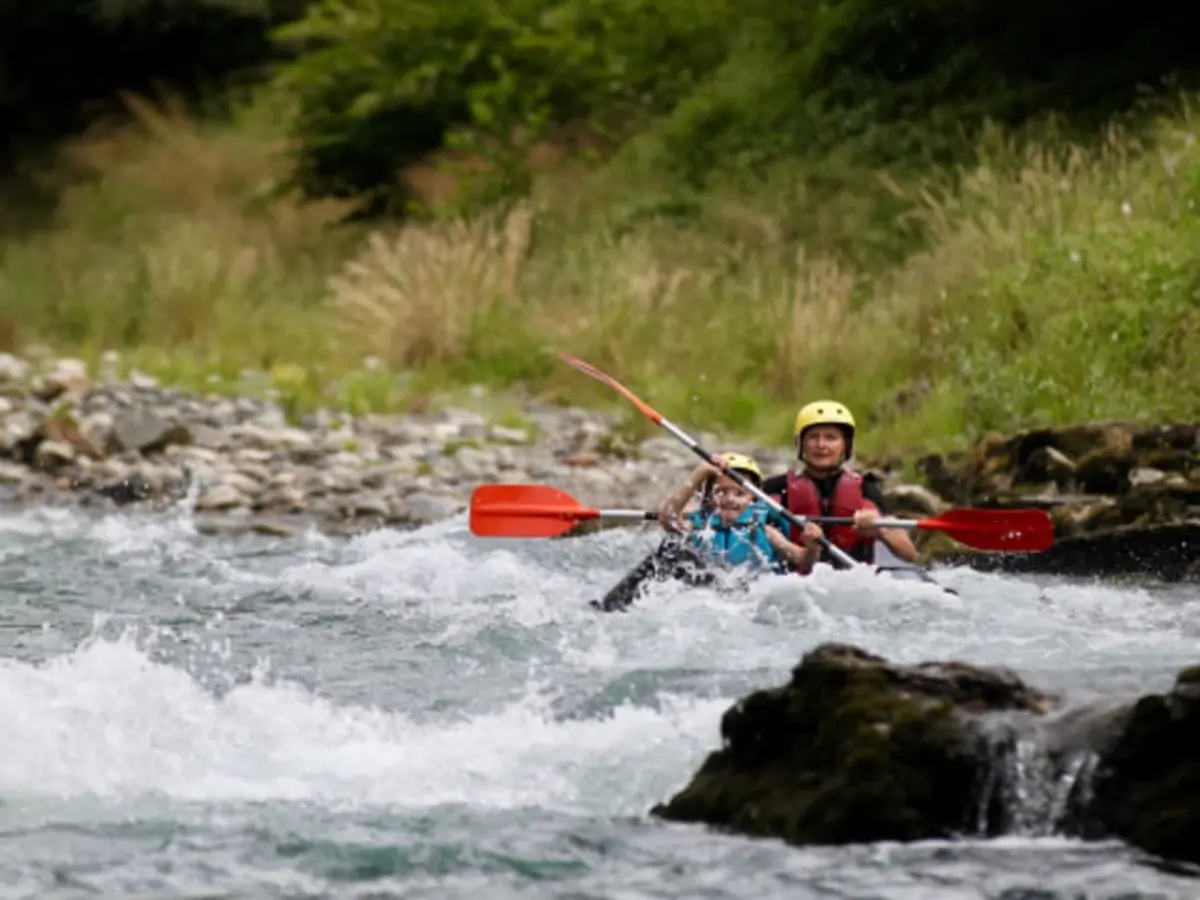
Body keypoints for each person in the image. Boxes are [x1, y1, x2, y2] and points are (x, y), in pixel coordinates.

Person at [591, 452, 821, 612]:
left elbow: (803, 559)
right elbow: (668, 518)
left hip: (749, 598)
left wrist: (812, 545)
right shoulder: (700, 525)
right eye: (721, 492)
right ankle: (612, 606)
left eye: (739, 493)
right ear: (709, 497)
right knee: (670, 549)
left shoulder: (765, 530)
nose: (730, 499)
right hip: (706, 597)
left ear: (753, 498)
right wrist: (700, 473)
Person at [760, 400, 920, 571]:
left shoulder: (866, 487)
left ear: (846, 445)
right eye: (813, 437)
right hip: (795, 582)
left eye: (831, 438)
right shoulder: (775, 488)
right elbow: (752, 529)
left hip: (852, 582)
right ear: (801, 444)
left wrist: (880, 530)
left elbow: (910, 555)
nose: (821, 445)